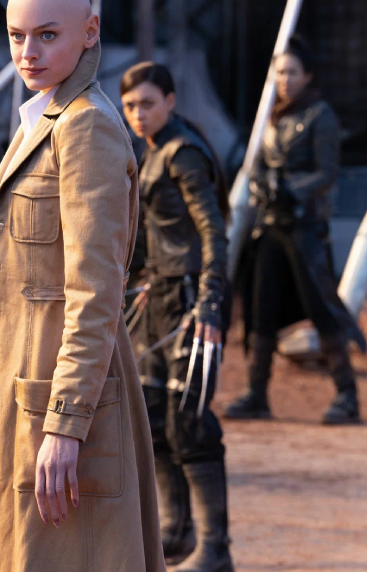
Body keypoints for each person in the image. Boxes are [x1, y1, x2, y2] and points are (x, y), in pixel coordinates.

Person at [0, 0, 165, 572]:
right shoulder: (43, 118)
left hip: (64, 404)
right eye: (17, 35)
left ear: (89, 31)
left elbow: (95, 292)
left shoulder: (86, 127)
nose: (29, 52)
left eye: (47, 35)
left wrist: (66, 425)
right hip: (27, 396)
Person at [121, 62, 234, 572]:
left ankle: (216, 548)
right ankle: (175, 530)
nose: (138, 114)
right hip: (161, 296)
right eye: (130, 106)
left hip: (192, 297)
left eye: (147, 103)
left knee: (190, 420)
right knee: (152, 417)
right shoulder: (151, 152)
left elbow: (213, 231)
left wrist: (209, 301)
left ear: (170, 100)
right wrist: (146, 278)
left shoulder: (184, 152)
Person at [224, 35, 366, 424]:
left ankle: (347, 395)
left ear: (308, 75)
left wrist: (290, 189)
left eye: (292, 72)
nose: (284, 80)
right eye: (280, 72)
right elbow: (257, 163)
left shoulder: (321, 115)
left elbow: (327, 172)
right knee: (261, 309)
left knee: (322, 310)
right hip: (269, 227)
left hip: (305, 230)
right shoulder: (271, 116)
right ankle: (257, 394)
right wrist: (263, 184)